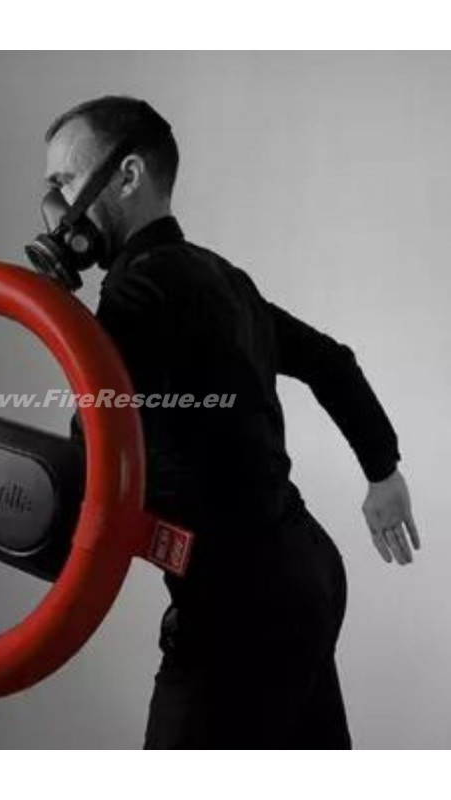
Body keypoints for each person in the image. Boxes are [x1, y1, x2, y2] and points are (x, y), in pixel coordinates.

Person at [31, 95, 421, 748]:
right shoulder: (222, 278)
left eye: (64, 182)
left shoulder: (136, 291)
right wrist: (384, 473)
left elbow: (89, 452)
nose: (55, 206)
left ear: (127, 176)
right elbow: (332, 361)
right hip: (305, 573)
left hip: (240, 608)